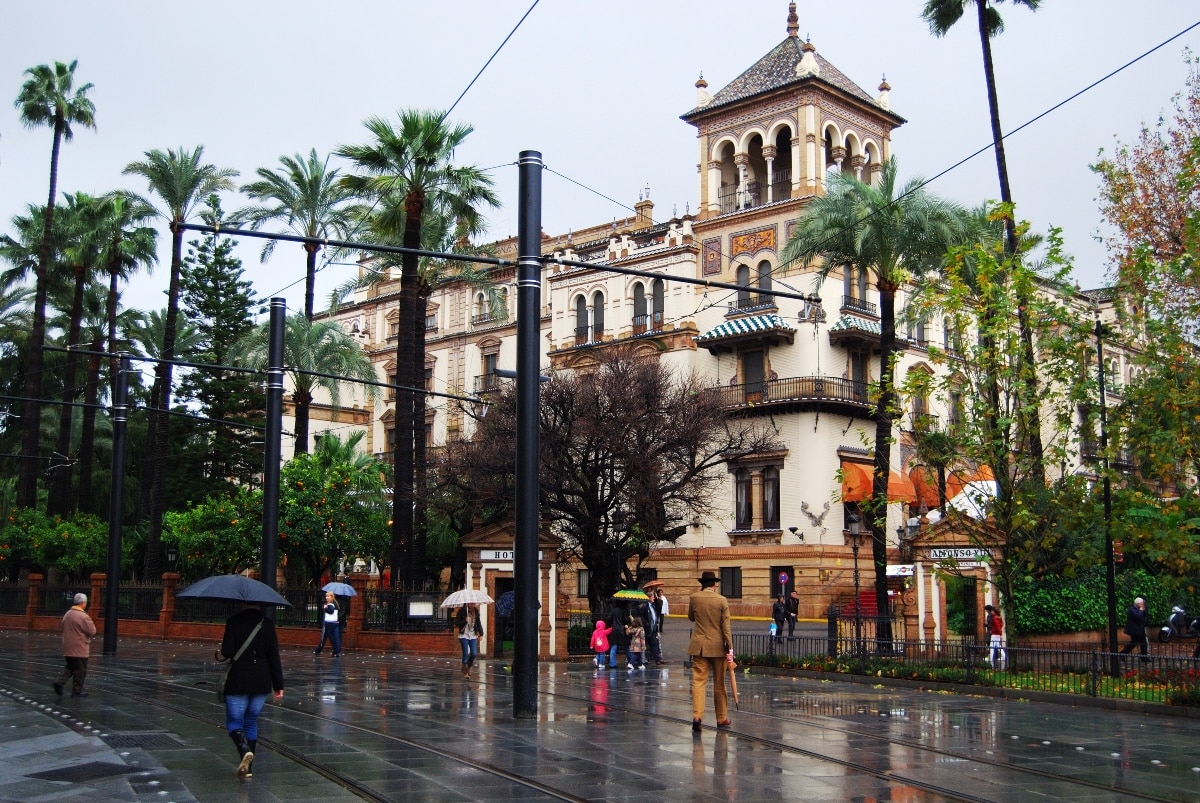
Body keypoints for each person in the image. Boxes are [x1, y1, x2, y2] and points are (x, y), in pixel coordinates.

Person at [216, 602, 284, 779]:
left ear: (243, 603)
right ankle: (248, 768)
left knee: (234, 722)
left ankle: (244, 749)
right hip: (261, 681)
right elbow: (274, 656)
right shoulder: (267, 624)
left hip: (239, 679)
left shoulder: (233, 621)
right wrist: (279, 685)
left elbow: (228, 651)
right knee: (251, 721)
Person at [688, 570, 735, 733]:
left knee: (698, 681)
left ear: (702, 584)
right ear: (715, 584)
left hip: (699, 646)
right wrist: (730, 648)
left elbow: (691, 618)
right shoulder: (722, 600)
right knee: (719, 683)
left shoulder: (694, 598)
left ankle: (697, 716)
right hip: (718, 647)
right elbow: (726, 627)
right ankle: (721, 718)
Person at [54, 592, 96, 698]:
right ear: (83, 603)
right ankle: (77, 691)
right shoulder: (83, 616)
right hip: (79, 648)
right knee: (80, 670)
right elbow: (92, 631)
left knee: (70, 667)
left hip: (68, 647)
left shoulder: (67, 614)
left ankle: (59, 682)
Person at [454, 603, 483, 678]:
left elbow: (478, 623)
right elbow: (456, 623)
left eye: (474, 603)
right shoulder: (462, 611)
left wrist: (481, 634)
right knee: (465, 653)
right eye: (471, 602)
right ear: (467, 602)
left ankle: (469, 666)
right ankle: (465, 671)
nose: (473, 604)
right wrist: (465, 621)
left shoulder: (475, 611)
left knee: (473, 653)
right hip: (464, 635)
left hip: (473, 635)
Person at [1120, 596, 1149, 661]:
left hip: (1141, 629)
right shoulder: (1132, 609)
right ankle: (1122, 653)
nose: (1142, 605)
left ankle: (1144, 657)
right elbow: (1138, 616)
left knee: (1144, 643)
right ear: (1137, 604)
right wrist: (1141, 610)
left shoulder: (1140, 609)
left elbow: (1144, 617)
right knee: (1133, 643)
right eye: (1141, 604)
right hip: (1135, 630)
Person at [313, 592, 342, 657]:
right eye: (326, 596)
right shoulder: (336, 604)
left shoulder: (330, 604)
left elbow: (331, 611)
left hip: (329, 623)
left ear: (332, 597)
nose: (326, 597)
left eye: (328, 596)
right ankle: (337, 651)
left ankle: (318, 650)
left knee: (324, 637)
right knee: (335, 637)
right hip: (335, 623)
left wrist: (325, 608)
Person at [983, 604, 1005, 670]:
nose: (991, 612)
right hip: (997, 634)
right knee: (998, 646)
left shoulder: (994, 617)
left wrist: (994, 631)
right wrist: (1000, 634)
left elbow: (997, 626)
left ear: (994, 611)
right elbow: (1001, 625)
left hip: (994, 634)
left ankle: (991, 662)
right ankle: (1004, 656)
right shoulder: (999, 617)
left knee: (992, 647)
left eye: (992, 611)